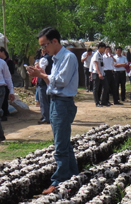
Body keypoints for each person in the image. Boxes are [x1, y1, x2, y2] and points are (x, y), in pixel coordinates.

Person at [27, 27, 79, 195]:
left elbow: (61, 82)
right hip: (57, 102)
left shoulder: (68, 57)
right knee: (64, 142)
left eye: (45, 45)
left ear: (54, 41)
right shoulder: (57, 58)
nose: (44, 50)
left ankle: (58, 181)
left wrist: (42, 75)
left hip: (63, 103)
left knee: (60, 146)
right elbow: (54, 82)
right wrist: (42, 74)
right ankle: (73, 174)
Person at [0, 47, 15, 121]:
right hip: (0, 83)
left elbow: (10, 73)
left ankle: (5, 112)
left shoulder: (9, 62)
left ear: (3, 52)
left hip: (6, 82)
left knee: (4, 99)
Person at [91, 42, 109, 107]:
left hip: (102, 73)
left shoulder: (101, 55)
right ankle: (97, 102)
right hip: (96, 73)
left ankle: (103, 101)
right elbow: (96, 65)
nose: (104, 50)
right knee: (96, 88)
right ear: (100, 48)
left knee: (106, 86)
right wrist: (99, 73)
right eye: (104, 48)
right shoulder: (96, 55)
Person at [37, 50, 52, 124]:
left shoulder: (44, 59)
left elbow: (41, 71)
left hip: (43, 82)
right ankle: (50, 116)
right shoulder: (54, 58)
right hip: (51, 82)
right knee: (49, 100)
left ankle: (46, 117)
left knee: (43, 101)